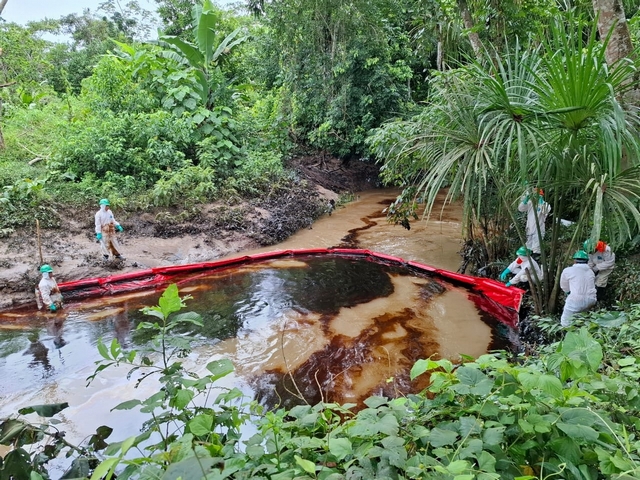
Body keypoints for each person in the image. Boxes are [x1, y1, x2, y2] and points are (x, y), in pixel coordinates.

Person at [559, 250, 597, 327]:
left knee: (565, 322)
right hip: (591, 299)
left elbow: (563, 285)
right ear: (587, 261)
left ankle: (567, 332)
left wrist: (568, 292)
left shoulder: (568, 270)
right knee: (582, 319)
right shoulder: (591, 272)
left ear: (575, 261)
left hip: (576, 300)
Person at [518, 188, 551, 256]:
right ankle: (527, 261)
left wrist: (541, 201)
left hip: (538, 229)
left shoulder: (545, 204)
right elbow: (521, 208)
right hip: (529, 229)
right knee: (528, 247)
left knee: (536, 248)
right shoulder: (530, 203)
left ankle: (535, 260)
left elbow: (545, 211)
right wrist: (526, 199)